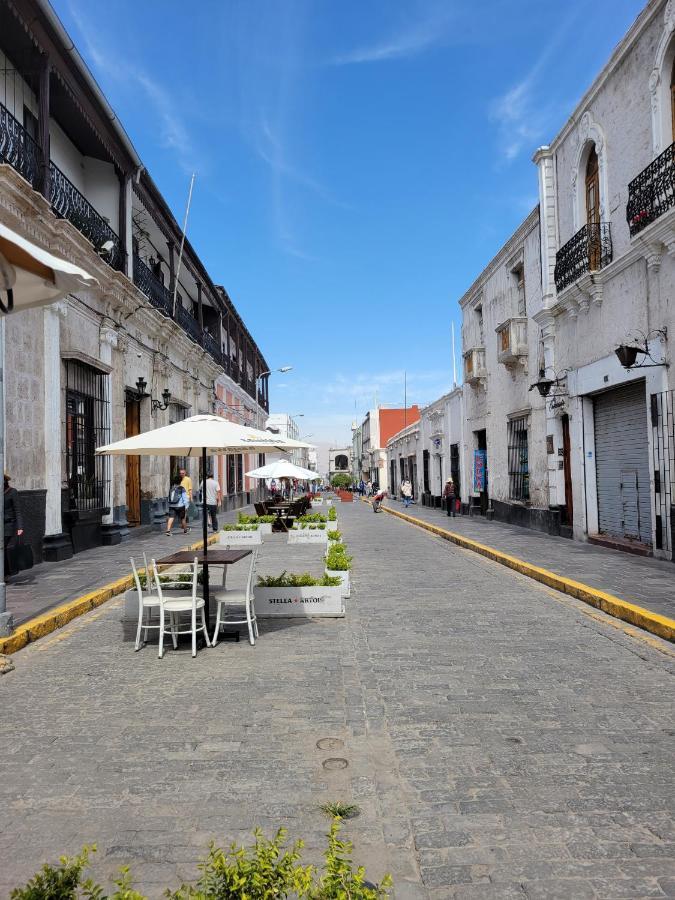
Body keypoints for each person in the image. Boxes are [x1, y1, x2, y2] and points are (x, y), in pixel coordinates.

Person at [4, 473, 23, 573]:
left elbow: (17, 510)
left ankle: (5, 573)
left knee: (3, 548)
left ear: (4, 481)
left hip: (8, 526)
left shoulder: (12, 492)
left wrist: (20, 527)